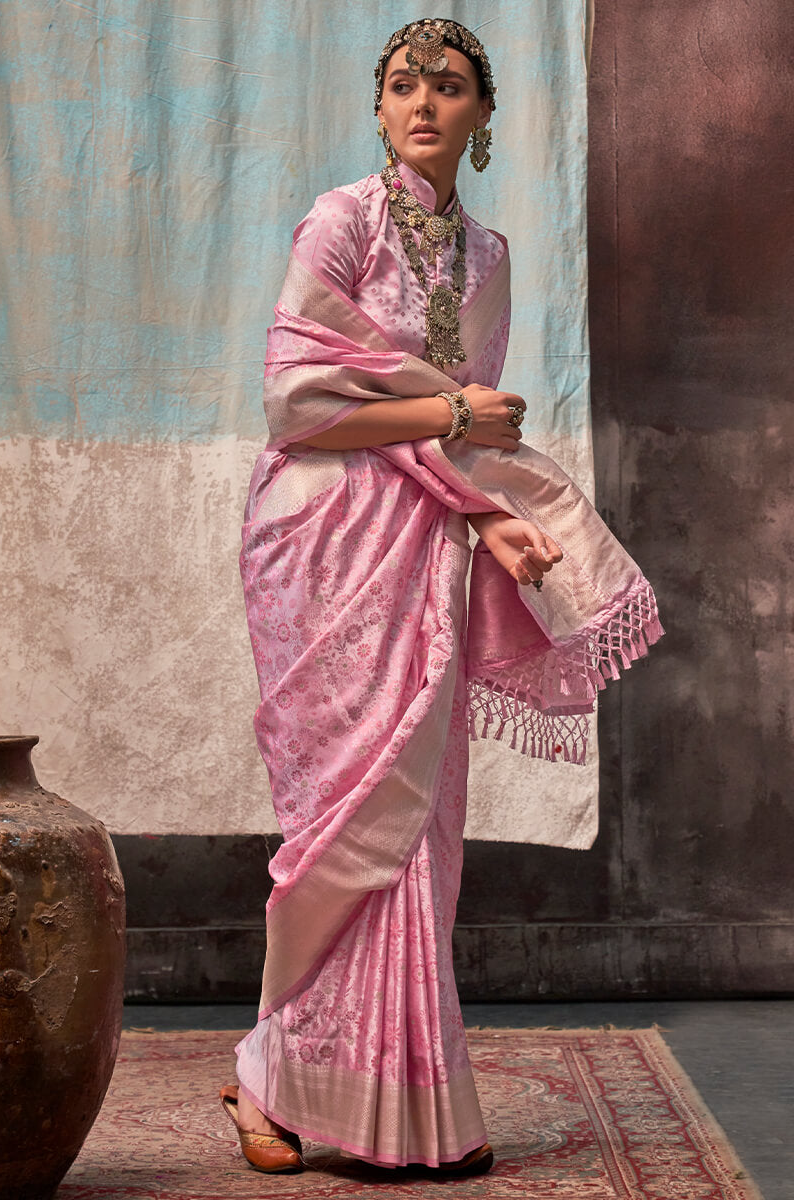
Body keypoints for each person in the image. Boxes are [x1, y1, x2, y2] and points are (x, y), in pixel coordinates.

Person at [219, 17, 661, 1178]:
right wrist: (450, 414)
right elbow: (296, 408)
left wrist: (493, 519)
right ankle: (270, 1074)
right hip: (317, 540)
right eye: (403, 84)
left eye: (449, 86)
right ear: (379, 107)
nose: (423, 102)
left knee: (417, 823)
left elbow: (461, 449)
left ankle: (387, 1104)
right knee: (334, 819)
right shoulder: (340, 219)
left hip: (423, 539)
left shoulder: (490, 258)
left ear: (480, 115)